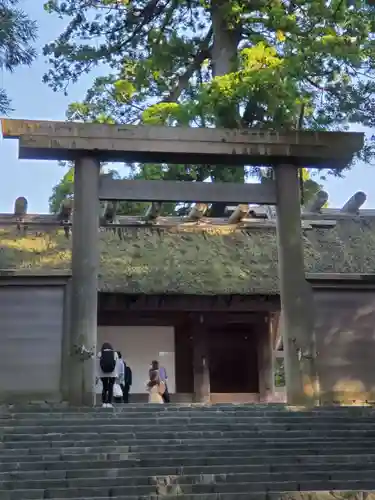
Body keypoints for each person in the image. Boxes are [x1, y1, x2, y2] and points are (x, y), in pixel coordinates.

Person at [97, 342, 119, 408]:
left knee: (104, 387)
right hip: (112, 374)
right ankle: (109, 402)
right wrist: (116, 374)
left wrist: (98, 375)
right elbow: (116, 364)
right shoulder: (115, 353)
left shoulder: (100, 353)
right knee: (110, 387)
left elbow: (98, 364)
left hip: (103, 373)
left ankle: (104, 402)